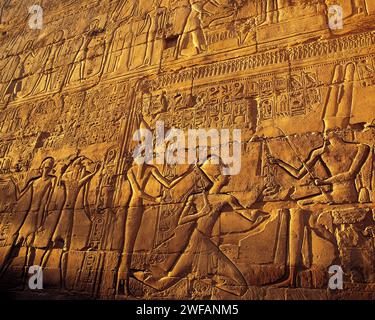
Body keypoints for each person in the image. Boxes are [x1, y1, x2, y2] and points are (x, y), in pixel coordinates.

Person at [133, 156, 269, 296]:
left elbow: (248, 215)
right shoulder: (196, 198)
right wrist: (201, 213)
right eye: (226, 175)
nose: (228, 178)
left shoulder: (227, 198)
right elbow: (182, 220)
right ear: (217, 177)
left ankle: (205, 279)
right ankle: (134, 274)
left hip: (204, 243)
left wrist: (259, 207)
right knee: (163, 283)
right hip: (196, 241)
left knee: (240, 288)